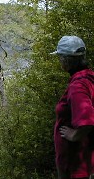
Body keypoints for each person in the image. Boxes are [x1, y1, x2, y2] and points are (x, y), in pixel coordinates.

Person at [51, 36, 94, 179]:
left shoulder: (78, 86)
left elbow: (87, 120)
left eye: (60, 58)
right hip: (84, 160)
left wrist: (74, 135)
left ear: (66, 60)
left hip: (74, 164)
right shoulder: (89, 77)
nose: (60, 61)